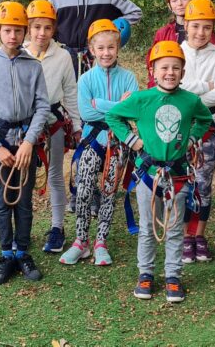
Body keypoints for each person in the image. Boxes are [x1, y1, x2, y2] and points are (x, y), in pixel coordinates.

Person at [105, 41, 212, 303]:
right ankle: (146, 273)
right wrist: (132, 141)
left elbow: (205, 120)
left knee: (175, 228)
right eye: (164, 67)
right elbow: (113, 116)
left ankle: (173, 276)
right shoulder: (142, 99)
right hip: (148, 174)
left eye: (176, 67)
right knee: (147, 227)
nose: (170, 72)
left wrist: (191, 139)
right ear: (153, 70)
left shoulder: (190, 101)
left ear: (183, 72)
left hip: (177, 174)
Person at [0, 2, 51, 285]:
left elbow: (42, 106)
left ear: (25, 32)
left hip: (25, 143)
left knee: (25, 200)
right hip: (1, 143)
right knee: (4, 200)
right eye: (8, 30)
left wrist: (30, 142)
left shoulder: (33, 66)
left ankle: (23, 251)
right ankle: (6, 253)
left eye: (19, 31)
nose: (13, 36)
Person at [60, 19, 138, 266]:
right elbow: (86, 113)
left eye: (111, 48)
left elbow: (133, 111)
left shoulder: (128, 78)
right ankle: (80, 241)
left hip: (117, 144)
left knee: (108, 191)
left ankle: (101, 241)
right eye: (101, 48)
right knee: (83, 190)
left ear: (118, 48)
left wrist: (100, 105)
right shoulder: (85, 80)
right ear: (92, 50)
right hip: (92, 141)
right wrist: (118, 107)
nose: (106, 53)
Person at [21, 0, 82, 254]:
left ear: (54, 29)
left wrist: (77, 126)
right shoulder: (19, 52)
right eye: (36, 27)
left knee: (56, 174)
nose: (41, 33)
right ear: (28, 27)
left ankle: (57, 228)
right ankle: (21, 230)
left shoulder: (63, 55)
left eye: (47, 28)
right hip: (24, 123)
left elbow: (70, 91)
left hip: (53, 120)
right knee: (23, 176)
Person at [178, 0, 215, 263]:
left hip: (207, 127)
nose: (200, 33)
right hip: (178, 128)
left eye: (206, 27)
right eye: (196, 26)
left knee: (203, 183)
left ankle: (199, 235)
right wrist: (204, 85)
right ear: (186, 24)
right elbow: (170, 87)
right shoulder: (175, 53)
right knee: (181, 182)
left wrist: (188, 93)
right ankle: (184, 236)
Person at [146, 0, 215, 87]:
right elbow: (152, 63)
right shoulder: (163, 33)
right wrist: (155, 87)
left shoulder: (203, 33)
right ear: (169, 6)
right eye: (174, 0)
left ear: (191, 1)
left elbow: (212, 62)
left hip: (197, 87)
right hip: (169, 85)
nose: (179, 3)